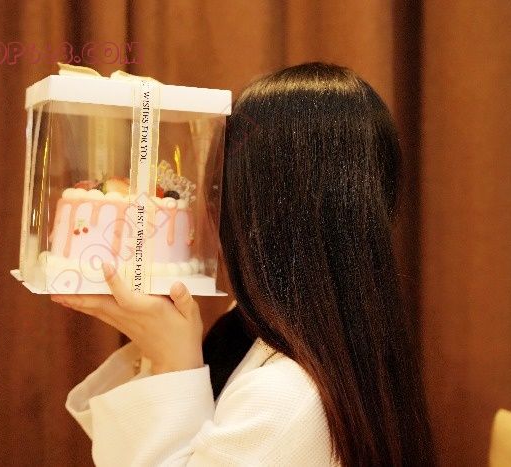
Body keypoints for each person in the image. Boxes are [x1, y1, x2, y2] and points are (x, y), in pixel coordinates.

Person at [53, 62, 435, 466]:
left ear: (255, 210)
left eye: (221, 186)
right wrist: (161, 345)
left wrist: (172, 361)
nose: (209, 206)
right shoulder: (291, 339)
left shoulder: (286, 397)